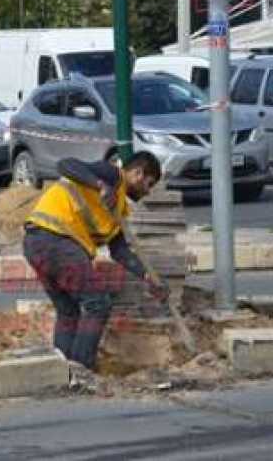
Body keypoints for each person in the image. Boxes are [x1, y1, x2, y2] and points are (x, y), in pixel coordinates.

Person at [24, 152, 170, 371]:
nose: (147, 192)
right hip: (55, 239)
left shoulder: (117, 209)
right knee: (97, 304)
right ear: (137, 173)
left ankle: (62, 370)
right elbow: (65, 163)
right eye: (148, 184)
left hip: (38, 243)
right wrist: (101, 185)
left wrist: (149, 277)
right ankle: (82, 368)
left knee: (68, 311)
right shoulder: (112, 175)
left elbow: (120, 252)